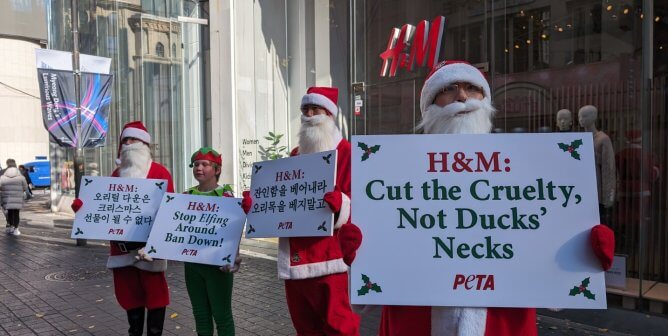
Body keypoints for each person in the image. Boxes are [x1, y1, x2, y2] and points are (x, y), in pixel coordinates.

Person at [378, 60, 616, 336]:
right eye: (450, 88)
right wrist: (359, 251)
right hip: (415, 322)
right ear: (430, 103)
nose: (463, 97)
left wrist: (580, 253)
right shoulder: (397, 170)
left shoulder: (523, 170)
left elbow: (547, 269)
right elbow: (375, 273)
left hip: (501, 324)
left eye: (472, 88)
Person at [242, 86, 363, 335]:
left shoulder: (348, 153)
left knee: (339, 325)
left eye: (315, 109)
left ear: (329, 114)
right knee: (304, 325)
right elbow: (284, 197)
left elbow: (359, 200)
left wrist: (342, 204)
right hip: (294, 256)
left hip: (329, 255)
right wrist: (258, 206)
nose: (309, 115)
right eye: (305, 110)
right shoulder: (295, 154)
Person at [72, 121, 174, 336]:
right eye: (125, 141)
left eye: (133, 140)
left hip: (149, 251)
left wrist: (158, 246)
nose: (128, 144)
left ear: (145, 144)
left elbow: (169, 212)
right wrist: (84, 208)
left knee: (155, 296)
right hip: (121, 250)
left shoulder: (160, 172)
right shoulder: (116, 174)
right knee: (129, 296)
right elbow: (104, 205)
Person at [184, 147, 241, 336]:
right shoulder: (185, 196)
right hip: (192, 264)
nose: (199, 168)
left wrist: (233, 256)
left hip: (218, 265)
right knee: (200, 315)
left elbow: (234, 230)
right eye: (196, 164)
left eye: (205, 164)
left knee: (222, 315)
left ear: (216, 170)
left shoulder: (226, 195)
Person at [0, 158, 28, 236]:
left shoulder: (2, 177)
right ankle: (16, 229)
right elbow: (25, 187)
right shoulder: (21, 176)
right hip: (17, 198)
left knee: (9, 212)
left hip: (7, 198)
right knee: (16, 213)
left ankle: (11, 227)